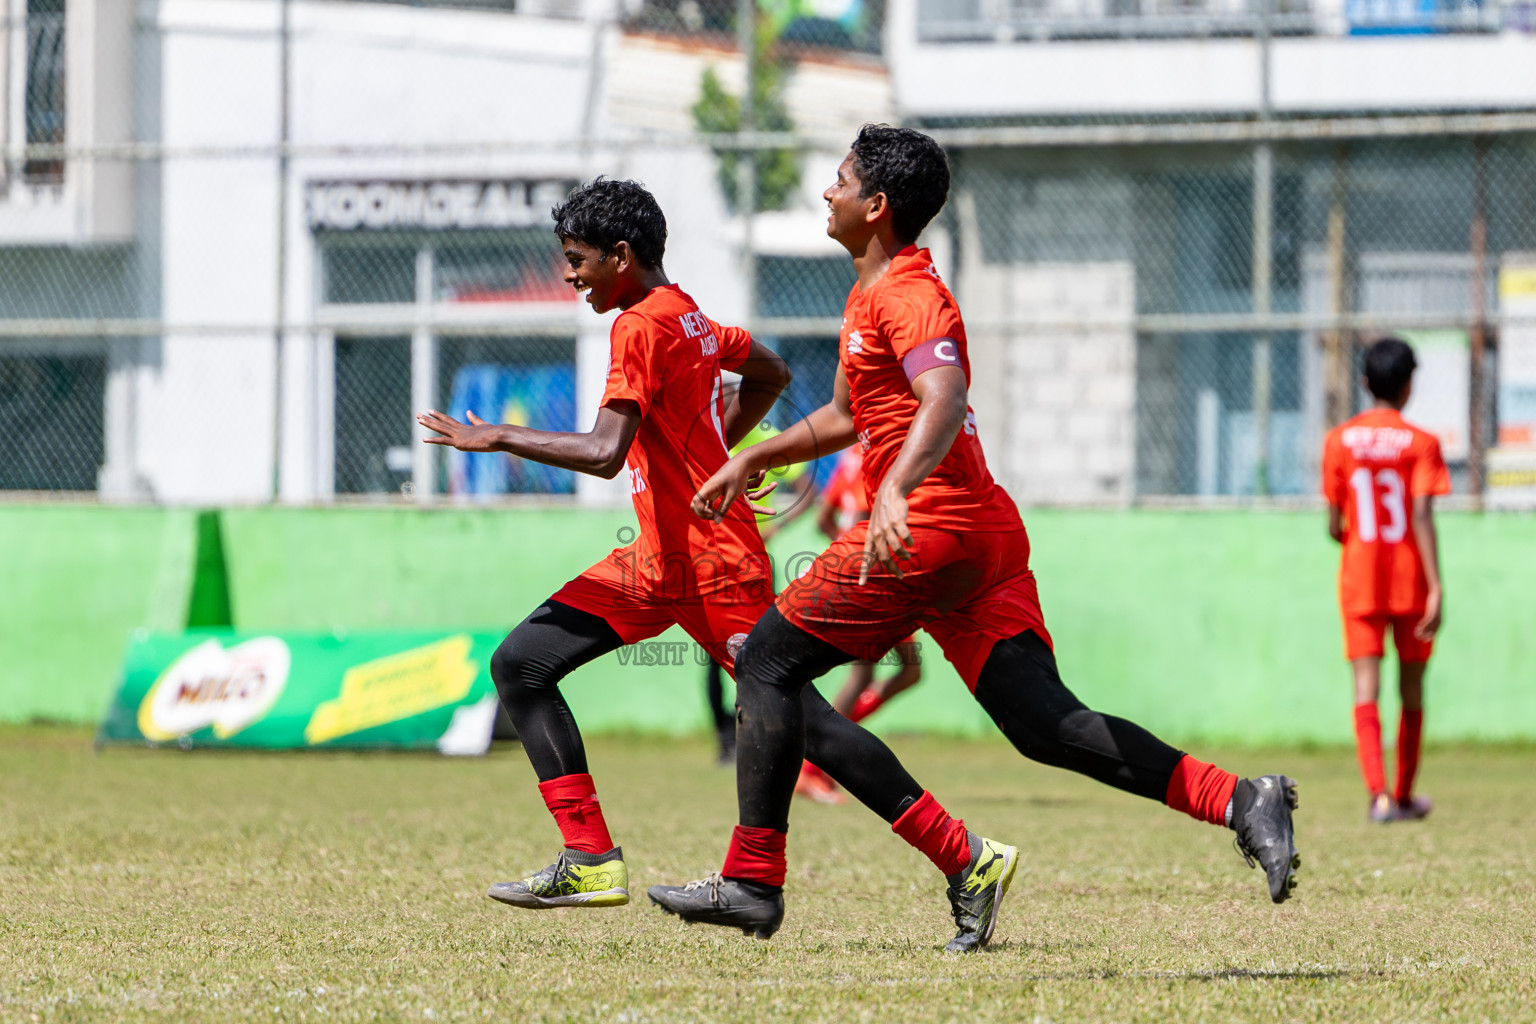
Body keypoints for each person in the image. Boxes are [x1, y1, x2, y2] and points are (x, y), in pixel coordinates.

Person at [648, 125, 1301, 947]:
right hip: (980, 532)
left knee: (766, 660)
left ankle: (753, 879)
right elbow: (852, 415)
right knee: (1047, 726)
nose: (828, 191)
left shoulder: (909, 293)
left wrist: (891, 489)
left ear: (875, 205)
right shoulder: (872, 288)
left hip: (933, 526)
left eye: (841, 179)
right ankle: (1243, 799)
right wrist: (762, 454)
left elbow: (945, 395)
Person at [421, 178, 1057, 935]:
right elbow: (772, 371)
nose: (569, 275)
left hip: (712, 566)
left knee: (805, 723)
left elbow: (602, 450)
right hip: (658, 563)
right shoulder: (688, 315)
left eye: (577, 259)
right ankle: (588, 859)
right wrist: (722, 441)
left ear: (621, 257)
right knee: (521, 665)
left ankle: (966, 857)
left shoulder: (638, 327)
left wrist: (496, 436)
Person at [1322, 337, 1448, 824]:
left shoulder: (1338, 440)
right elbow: (1420, 513)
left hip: (1360, 580)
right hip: (1410, 581)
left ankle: (1377, 797)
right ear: (1409, 385)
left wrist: (1355, 541)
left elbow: (1334, 525)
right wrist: (1436, 585)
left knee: (1365, 688)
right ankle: (1403, 793)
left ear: (1364, 383)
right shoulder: (1422, 443)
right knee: (1412, 689)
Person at [705, 421, 817, 767]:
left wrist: (776, 527)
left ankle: (771, 732)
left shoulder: (764, 439)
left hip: (754, 561)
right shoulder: (704, 436)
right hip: (713, 559)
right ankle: (727, 739)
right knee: (714, 653)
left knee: (767, 647)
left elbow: (809, 490)